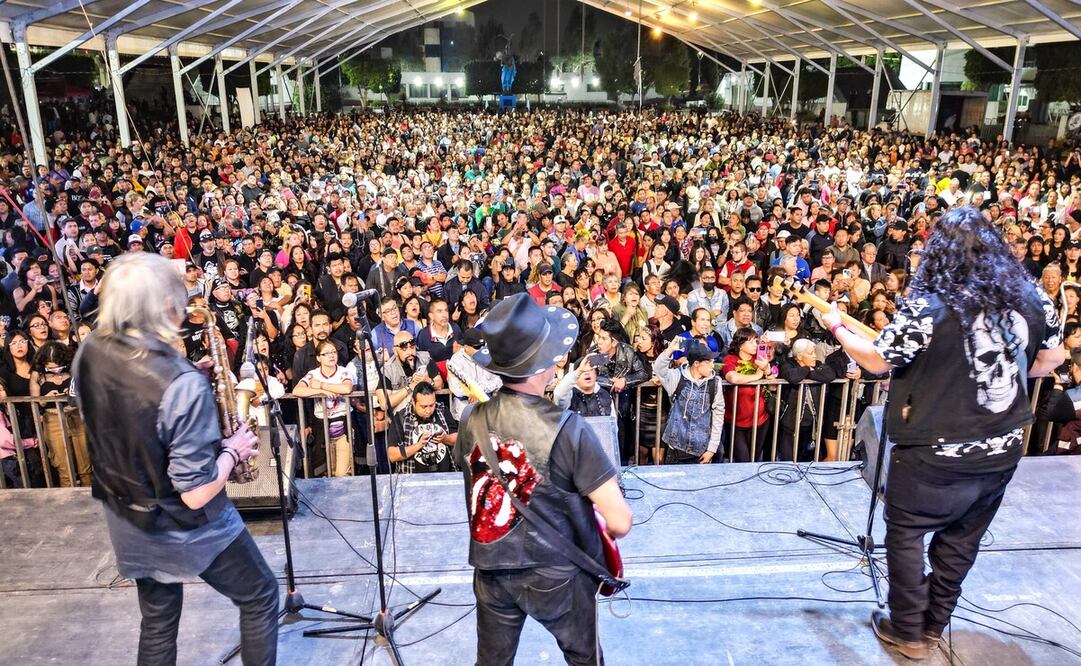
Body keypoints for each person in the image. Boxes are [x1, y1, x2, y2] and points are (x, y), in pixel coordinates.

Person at [822, 207, 1064, 660]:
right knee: (962, 540)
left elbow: (876, 360)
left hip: (936, 451)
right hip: (1003, 447)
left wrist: (836, 325)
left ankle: (909, 630)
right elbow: (1052, 360)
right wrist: (1004, 369)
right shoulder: (1034, 299)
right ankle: (933, 625)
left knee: (906, 532)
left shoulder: (930, 306)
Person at [72, 253, 277, 665]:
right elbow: (196, 493)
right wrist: (232, 451)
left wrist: (184, 374)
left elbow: (127, 412)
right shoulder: (179, 385)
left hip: (125, 515)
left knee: (158, 620)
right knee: (261, 596)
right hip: (185, 526)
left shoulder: (89, 349)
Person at [454, 293, 632, 666]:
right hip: (556, 571)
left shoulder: (470, 419)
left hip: (491, 568)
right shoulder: (569, 429)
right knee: (585, 660)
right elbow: (619, 521)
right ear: (545, 366)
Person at [652, 338, 725, 464]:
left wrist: (711, 449)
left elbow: (718, 416)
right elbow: (659, 369)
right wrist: (670, 350)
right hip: (676, 448)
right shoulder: (677, 377)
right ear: (696, 363)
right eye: (709, 362)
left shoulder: (714, 383)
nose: (712, 366)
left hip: (702, 450)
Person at [388, 381, 458, 473]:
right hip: (412, 477)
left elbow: (458, 439)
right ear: (413, 402)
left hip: (445, 475)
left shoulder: (442, 410)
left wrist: (445, 438)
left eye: (432, 405)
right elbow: (392, 455)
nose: (428, 410)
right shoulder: (401, 417)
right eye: (423, 406)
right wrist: (418, 445)